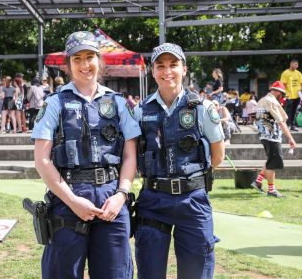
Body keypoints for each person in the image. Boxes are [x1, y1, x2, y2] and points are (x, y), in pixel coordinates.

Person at [31, 31, 141, 278]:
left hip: (111, 202)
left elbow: (130, 155)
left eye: (89, 57)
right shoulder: (54, 103)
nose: (84, 65)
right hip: (68, 201)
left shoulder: (118, 103)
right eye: (77, 58)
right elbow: (42, 160)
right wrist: (72, 201)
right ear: (68, 65)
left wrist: (121, 195)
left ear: (99, 60)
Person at [133, 43, 225, 279]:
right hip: (153, 200)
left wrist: (190, 180)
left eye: (173, 65)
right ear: (152, 72)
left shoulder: (202, 108)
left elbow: (218, 155)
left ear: (184, 69)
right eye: (160, 66)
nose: (167, 71)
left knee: (197, 273)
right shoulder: (141, 111)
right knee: (149, 272)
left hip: (192, 201)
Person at [251, 81, 296, 198]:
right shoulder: (271, 101)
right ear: (277, 92)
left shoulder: (262, 100)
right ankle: (271, 190)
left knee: (271, 160)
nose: (281, 97)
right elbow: (281, 121)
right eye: (281, 94)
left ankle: (258, 181)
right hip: (272, 136)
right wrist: (290, 138)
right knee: (273, 164)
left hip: (264, 135)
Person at [280, 58, 302, 132]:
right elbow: (282, 84)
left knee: (294, 111)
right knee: (288, 111)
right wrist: (283, 95)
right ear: (291, 64)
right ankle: (286, 126)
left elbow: (301, 84)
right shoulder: (285, 73)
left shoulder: (298, 73)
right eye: (295, 64)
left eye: (297, 65)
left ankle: (292, 126)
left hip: (297, 96)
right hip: (289, 96)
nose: (297, 66)